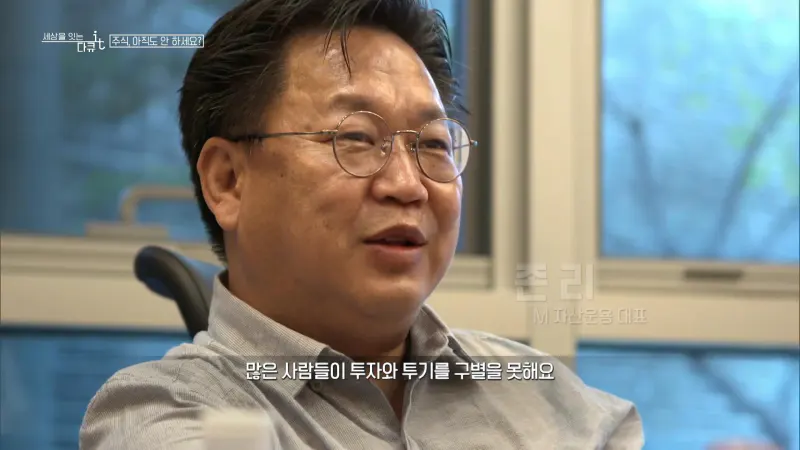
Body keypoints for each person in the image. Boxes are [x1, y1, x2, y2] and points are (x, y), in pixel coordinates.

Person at [80, 0, 644, 448]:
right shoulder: (167, 412)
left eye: (432, 144)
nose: (407, 184)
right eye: (355, 138)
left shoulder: (539, 389)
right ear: (228, 181)